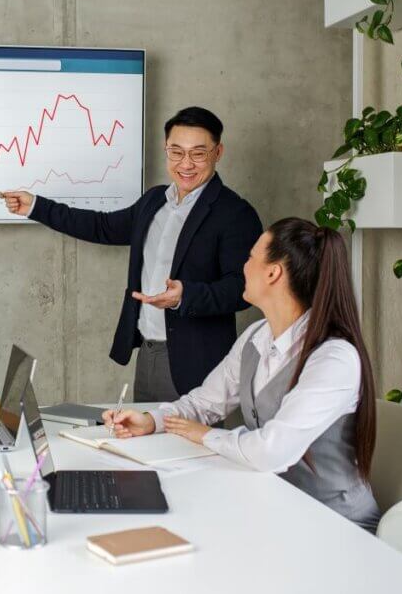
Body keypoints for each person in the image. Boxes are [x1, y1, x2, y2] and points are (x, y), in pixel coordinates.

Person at [103, 218, 381, 531]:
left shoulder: (334, 359)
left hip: (336, 523)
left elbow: (271, 450)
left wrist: (205, 435)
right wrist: (152, 421)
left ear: (273, 272)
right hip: (276, 506)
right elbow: (205, 403)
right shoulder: (256, 336)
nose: (243, 266)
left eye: (250, 257)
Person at [2, 106, 262, 401]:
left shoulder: (235, 213)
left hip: (198, 363)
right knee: (143, 445)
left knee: (193, 446)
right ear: (166, 151)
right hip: (148, 354)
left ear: (218, 152)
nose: (185, 163)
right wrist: (36, 206)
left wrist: (185, 296)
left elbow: (243, 289)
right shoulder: (154, 201)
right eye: (176, 152)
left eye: (198, 153)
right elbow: (102, 226)